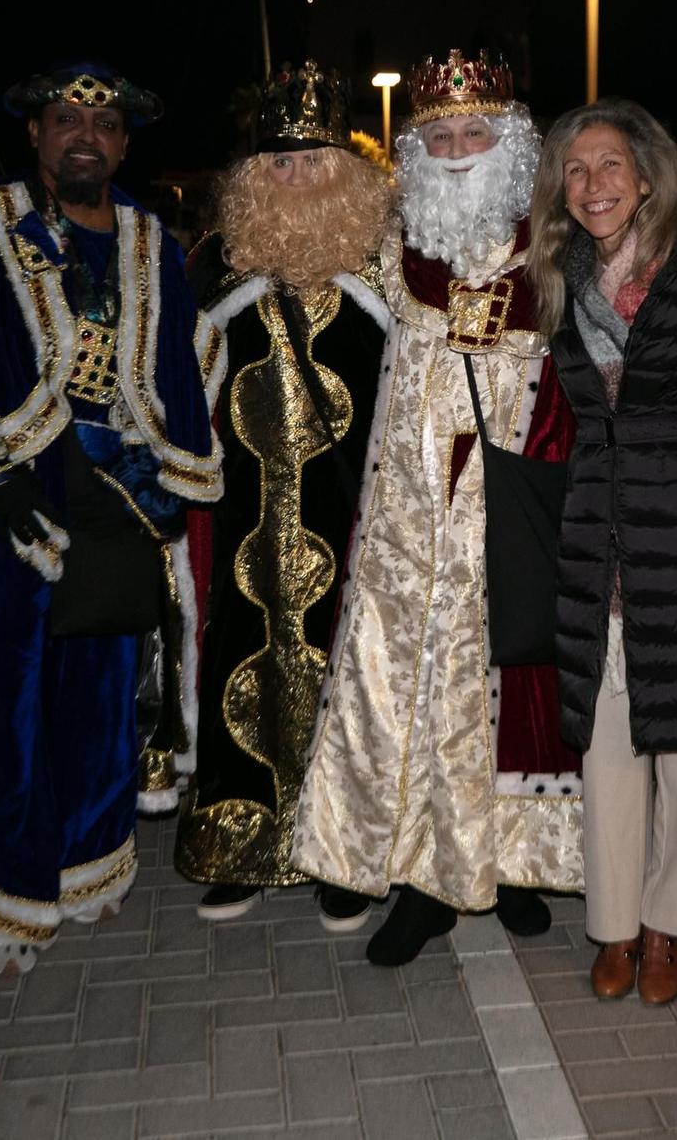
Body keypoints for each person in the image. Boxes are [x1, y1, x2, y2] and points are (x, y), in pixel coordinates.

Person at [0, 63, 222, 976]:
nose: (84, 136)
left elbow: (184, 350)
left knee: (101, 692)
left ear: (124, 144)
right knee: (2, 704)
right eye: (66, 118)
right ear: (35, 133)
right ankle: (2, 897)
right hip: (3, 503)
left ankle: (87, 864)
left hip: (112, 500)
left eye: (103, 124)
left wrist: (170, 468)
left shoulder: (148, 237)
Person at [290, 50, 583, 966]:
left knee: (514, 677)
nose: (458, 151)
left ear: (510, 142)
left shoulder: (556, 244)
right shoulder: (390, 245)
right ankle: (422, 880)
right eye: (441, 136)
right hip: (407, 520)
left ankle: (514, 865)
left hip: (511, 506)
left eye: (475, 133)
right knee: (410, 689)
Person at [525, 99, 677, 1006]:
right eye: (575, 171)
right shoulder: (557, 278)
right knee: (610, 740)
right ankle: (615, 921)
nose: (593, 185)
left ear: (648, 174)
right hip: (598, 536)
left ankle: (671, 923)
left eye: (609, 165)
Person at [173, 62, 393, 931]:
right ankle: (243, 845)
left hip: (353, 517)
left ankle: (344, 853)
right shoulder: (214, 266)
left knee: (350, 678)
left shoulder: (382, 265)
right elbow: (177, 387)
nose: (294, 177)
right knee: (242, 662)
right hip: (245, 517)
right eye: (279, 162)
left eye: (310, 160)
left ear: (342, 170)